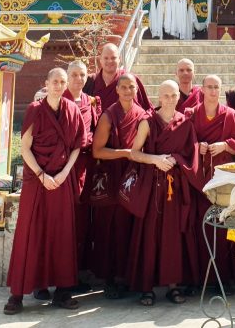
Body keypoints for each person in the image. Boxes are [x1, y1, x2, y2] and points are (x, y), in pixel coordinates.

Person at [5, 68, 84, 314]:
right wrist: (41, 175)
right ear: (46, 84)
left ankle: (62, 291)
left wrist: (62, 174)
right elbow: (25, 147)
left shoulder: (72, 110)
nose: (59, 86)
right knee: (30, 232)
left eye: (63, 82)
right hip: (36, 181)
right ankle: (17, 294)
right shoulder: (35, 110)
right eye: (55, 82)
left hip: (61, 180)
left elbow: (76, 147)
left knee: (62, 234)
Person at [127, 81, 200, 306]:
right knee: (149, 235)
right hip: (152, 186)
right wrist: (155, 160)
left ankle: (173, 285)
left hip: (175, 188)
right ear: (158, 97)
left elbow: (192, 156)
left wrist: (176, 160)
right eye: (165, 95)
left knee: (173, 236)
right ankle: (146, 287)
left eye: (173, 95)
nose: (169, 99)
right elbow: (134, 153)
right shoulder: (148, 122)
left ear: (179, 97)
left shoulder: (186, 123)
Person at [187, 74, 235, 288]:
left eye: (217, 87)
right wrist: (197, 147)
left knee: (222, 227)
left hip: (223, 179)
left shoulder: (230, 115)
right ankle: (199, 278)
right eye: (209, 87)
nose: (213, 91)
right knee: (199, 225)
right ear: (201, 89)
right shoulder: (192, 114)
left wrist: (225, 145)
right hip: (199, 179)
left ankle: (225, 278)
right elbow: (184, 143)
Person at [90, 73, 148, 297]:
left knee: (131, 228)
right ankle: (110, 278)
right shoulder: (108, 116)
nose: (126, 91)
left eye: (131, 87)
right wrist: (126, 153)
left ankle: (129, 275)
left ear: (136, 90)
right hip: (112, 177)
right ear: (116, 90)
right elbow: (97, 150)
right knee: (110, 229)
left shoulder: (142, 114)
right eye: (123, 87)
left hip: (134, 178)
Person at [65, 60, 100, 285]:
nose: (79, 79)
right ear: (68, 77)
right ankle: (59, 274)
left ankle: (80, 271)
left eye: (83, 75)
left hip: (86, 167)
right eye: (75, 75)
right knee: (63, 221)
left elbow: (96, 130)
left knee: (83, 221)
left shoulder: (91, 101)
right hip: (64, 167)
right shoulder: (59, 100)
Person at [84, 43, 151, 112]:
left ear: (119, 59)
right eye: (106, 58)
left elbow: (146, 108)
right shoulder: (90, 81)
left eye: (113, 58)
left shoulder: (131, 80)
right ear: (100, 59)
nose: (109, 61)